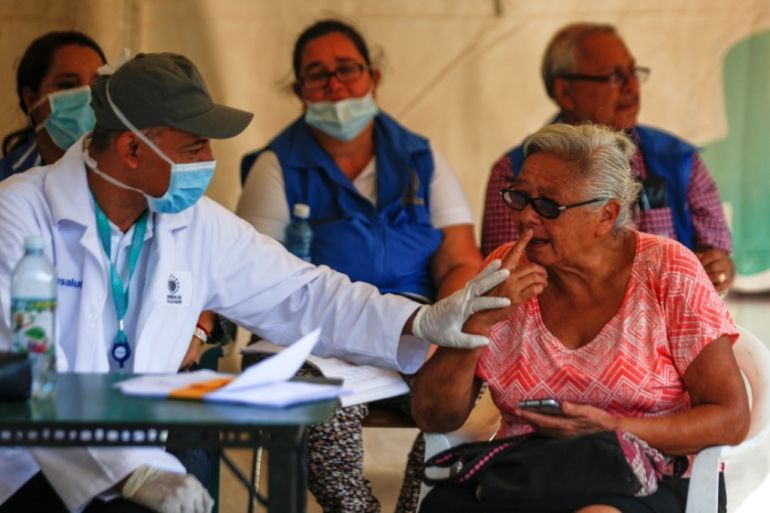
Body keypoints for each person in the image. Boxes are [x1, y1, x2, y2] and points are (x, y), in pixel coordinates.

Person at [0, 52, 515, 513]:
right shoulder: (17, 214)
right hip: (29, 464)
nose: (208, 162)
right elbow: (31, 374)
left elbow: (304, 294)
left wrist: (416, 320)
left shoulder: (194, 222)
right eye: (194, 147)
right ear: (132, 150)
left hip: (138, 459)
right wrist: (130, 473)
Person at [412, 123, 750, 513]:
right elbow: (432, 416)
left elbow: (731, 418)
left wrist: (613, 428)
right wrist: (477, 323)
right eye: (520, 197)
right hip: (533, 473)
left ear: (606, 215)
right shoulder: (505, 271)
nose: (525, 218)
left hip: (653, 474)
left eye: (548, 206)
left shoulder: (668, 269)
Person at [237, 19, 482, 513]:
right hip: (312, 336)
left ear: (374, 76)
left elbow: (460, 259)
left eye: (347, 69)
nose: (335, 85)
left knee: (464, 401)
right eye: (317, 74)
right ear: (299, 90)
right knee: (320, 415)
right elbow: (252, 279)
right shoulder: (277, 165)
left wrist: (445, 328)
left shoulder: (421, 158)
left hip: (411, 331)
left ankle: (418, 508)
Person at [481, 22, 735, 295]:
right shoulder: (515, 173)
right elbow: (504, 276)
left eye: (633, 72)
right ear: (565, 92)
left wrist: (718, 268)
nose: (631, 87)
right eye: (614, 77)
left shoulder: (678, 160)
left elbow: (718, 257)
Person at [0, 31, 105, 179]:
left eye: (99, 85)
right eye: (68, 85)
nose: (88, 97)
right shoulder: (6, 180)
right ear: (31, 100)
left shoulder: (129, 177)